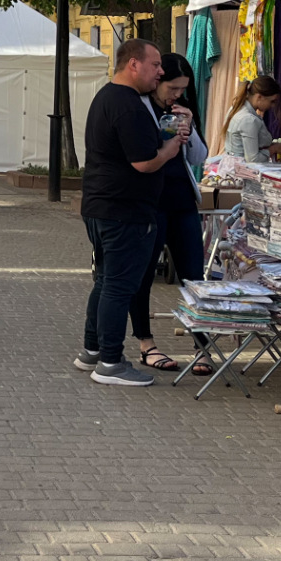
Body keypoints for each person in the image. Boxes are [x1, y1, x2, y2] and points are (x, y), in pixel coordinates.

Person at [75, 38, 185, 388]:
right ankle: (110, 361)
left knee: (106, 281)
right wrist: (168, 149)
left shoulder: (109, 97)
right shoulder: (128, 105)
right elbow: (143, 162)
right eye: (155, 65)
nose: (161, 71)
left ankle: (92, 351)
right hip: (123, 210)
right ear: (133, 64)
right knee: (119, 286)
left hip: (103, 205)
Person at [126, 53, 212, 376]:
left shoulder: (182, 109)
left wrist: (188, 127)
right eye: (172, 88)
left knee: (194, 275)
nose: (176, 94)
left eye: (182, 89)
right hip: (151, 203)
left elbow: (199, 155)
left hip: (182, 201)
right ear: (157, 80)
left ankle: (202, 347)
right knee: (144, 274)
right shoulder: (141, 107)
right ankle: (146, 343)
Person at [222, 76, 281, 160]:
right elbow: (253, 160)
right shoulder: (248, 120)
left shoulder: (236, 108)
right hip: (241, 169)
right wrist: (274, 149)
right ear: (259, 97)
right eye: (272, 101)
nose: (273, 105)